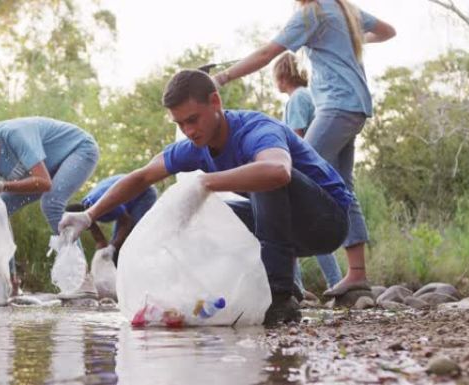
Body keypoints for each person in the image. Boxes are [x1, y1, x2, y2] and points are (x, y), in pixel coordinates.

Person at [59, 69, 352, 324]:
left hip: (327, 222)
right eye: (180, 124)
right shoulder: (194, 145)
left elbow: (278, 172)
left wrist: (205, 182)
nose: (188, 131)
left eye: (193, 120)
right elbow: (142, 176)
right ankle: (223, 291)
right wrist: (89, 215)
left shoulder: (256, 129)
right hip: (288, 231)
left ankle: (280, 296)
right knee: (199, 215)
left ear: (215, 102)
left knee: (260, 177)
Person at [214, 0, 395, 297]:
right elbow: (387, 31)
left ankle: (285, 278)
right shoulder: (345, 9)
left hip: (336, 105)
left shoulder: (313, 13)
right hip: (354, 105)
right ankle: (357, 274)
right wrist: (352, 40)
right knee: (341, 185)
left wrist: (222, 77)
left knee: (289, 174)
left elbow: (267, 53)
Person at [0, 117, 99, 294]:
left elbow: (44, 183)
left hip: (79, 150)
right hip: (46, 171)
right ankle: (11, 283)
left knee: (51, 202)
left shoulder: (14, 135)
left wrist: (0, 186)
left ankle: (83, 279)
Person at [272, 52, 342, 295]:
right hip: (316, 172)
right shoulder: (308, 96)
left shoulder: (297, 99)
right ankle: (301, 286)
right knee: (300, 230)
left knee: (294, 228)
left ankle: (315, 285)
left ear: (282, 76)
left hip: (303, 174)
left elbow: (296, 137)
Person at [66, 174, 158, 266]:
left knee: (131, 238)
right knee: (116, 246)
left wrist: (112, 247)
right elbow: (100, 241)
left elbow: (126, 222)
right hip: (127, 201)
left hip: (144, 193)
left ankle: (144, 267)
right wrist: (97, 263)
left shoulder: (102, 204)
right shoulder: (87, 212)